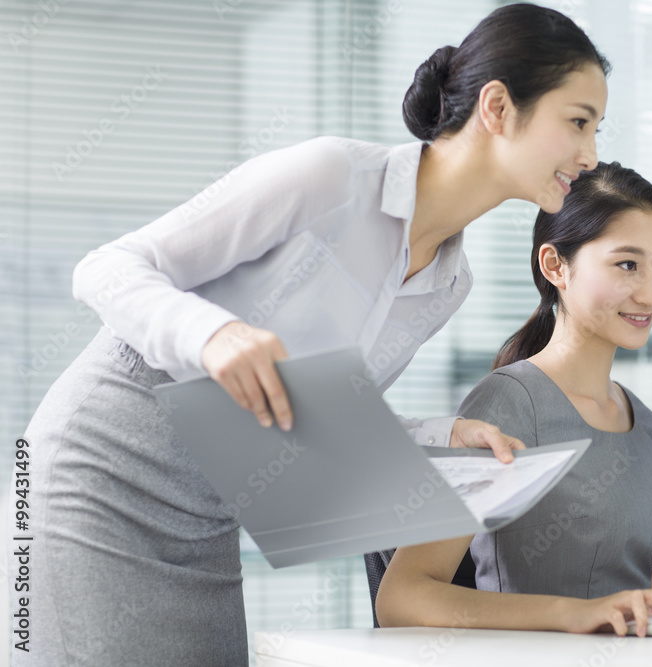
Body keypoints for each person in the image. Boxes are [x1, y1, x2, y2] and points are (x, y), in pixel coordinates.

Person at [6, 5, 611, 665]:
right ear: (498, 107)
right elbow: (107, 266)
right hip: (96, 479)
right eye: (577, 122)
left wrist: (441, 436)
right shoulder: (330, 178)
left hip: (206, 516)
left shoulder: (448, 282)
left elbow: (307, 411)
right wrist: (214, 333)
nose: (591, 155)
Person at [376, 161, 652, 637]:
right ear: (555, 266)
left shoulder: (648, 427)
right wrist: (572, 615)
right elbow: (402, 596)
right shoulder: (507, 404)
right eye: (627, 264)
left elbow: (632, 591)